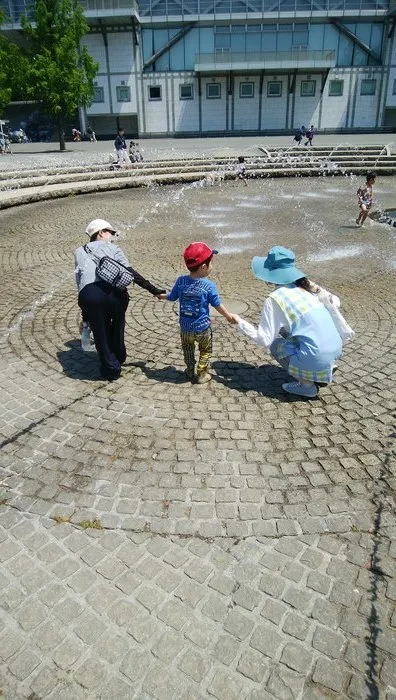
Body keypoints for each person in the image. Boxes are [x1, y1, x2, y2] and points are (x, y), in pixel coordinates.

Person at [233, 246, 346, 399]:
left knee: (275, 345)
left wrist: (240, 322)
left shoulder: (274, 299)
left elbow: (264, 339)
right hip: (335, 347)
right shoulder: (305, 287)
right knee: (287, 330)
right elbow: (336, 302)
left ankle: (307, 385)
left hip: (316, 355)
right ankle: (324, 367)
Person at [74, 219, 165, 381]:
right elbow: (131, 273)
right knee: (117, 324)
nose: (113, 236)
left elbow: (80, 284)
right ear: (101, 233)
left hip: (91, 296)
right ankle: (119, 354)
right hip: (116, 295)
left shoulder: (79, 251)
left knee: (100, 332)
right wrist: (154, 290)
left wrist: (86, 316)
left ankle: (111, 369)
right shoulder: (113, 248)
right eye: (111, 232)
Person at [158, 242, 236, 384]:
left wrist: (162, 296)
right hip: (202, 328)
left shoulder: (181, 281)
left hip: (185, 328)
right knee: (205, 350)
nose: (212, 266)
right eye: (211, 263)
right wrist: (229, 316)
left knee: (187, 349)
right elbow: (217, 304)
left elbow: (172, 297)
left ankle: (189, 370)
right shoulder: (209, 286)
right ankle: (201, 372)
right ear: (204, 267)